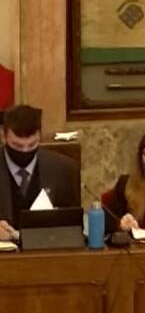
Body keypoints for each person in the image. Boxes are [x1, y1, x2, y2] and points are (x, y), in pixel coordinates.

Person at [0, 104, 82, 242]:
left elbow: (73, 226)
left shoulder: (63, 169)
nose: (25, 151)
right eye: (17, 146)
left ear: (40, 136)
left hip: (50, 249)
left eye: (32, 145)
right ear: (3, 136)